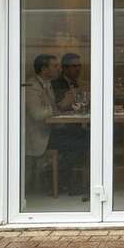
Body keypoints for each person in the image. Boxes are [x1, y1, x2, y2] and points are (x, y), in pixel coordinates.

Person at [25, 54, 82, 193]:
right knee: (79, 141)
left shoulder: (47, 84)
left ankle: (67, 182)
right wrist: (58, 108)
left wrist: (60, 106)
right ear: (44, 69)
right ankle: (63, 183)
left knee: (83, 135)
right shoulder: (32, 86)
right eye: (55, 66)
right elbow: (37, 114)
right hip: (39, 136)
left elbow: (52, 108)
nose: (59, 69)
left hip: (49, 131)